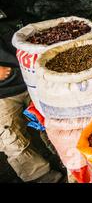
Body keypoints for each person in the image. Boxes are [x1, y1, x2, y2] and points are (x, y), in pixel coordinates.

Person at [0, 21, 64, 183]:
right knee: (11, 136)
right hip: (3, 94)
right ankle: (42, 177)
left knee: (52, 120)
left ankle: (66, 159)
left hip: (31, 78)